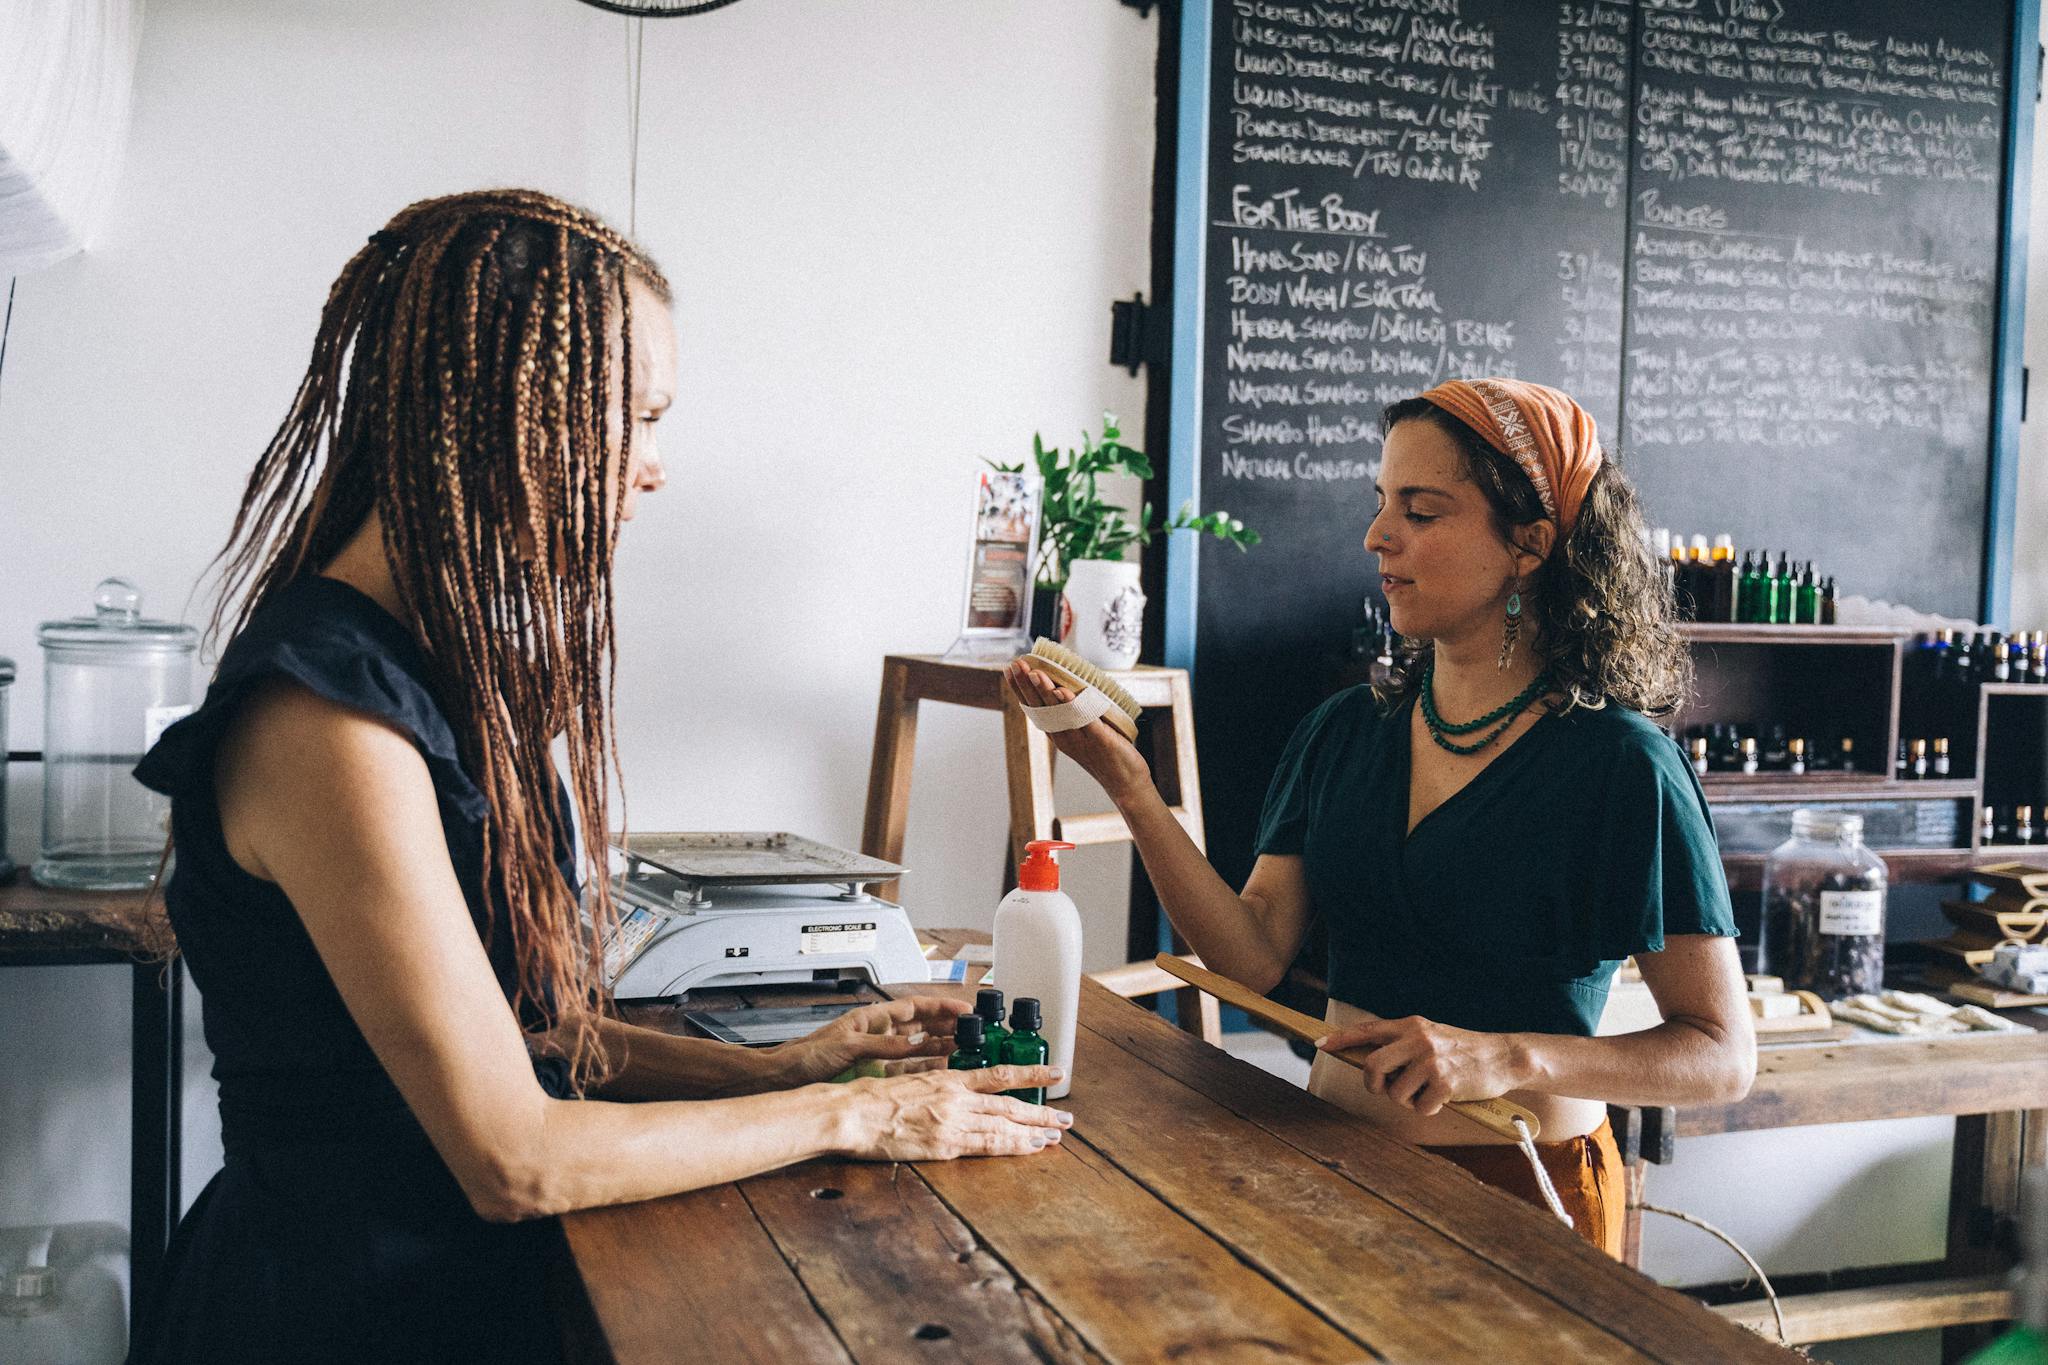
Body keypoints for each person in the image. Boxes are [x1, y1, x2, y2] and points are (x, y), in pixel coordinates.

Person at [128, 190, 1065, 1364]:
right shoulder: (325, 721)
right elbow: (513, 1155)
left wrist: (779, 1067)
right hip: (344, 1314)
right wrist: (860, 1110)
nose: (655, 470)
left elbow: (529, 1034)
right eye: (640, 418)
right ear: (499, 415)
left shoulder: (437, 670)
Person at [1008, 377, 1753, 1257]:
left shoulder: (1622, 767)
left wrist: (1508, 1056)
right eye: (1380, 504)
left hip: (1518, 1196)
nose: (1377, 536)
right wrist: (1131, 786)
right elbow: (1249, 955)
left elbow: (1720, 1055)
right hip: (1323, 1168)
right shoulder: (1345, 730)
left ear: (1530, 544)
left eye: (1423, 511)